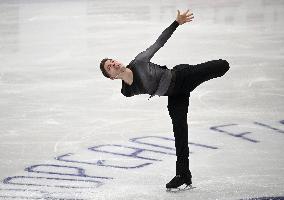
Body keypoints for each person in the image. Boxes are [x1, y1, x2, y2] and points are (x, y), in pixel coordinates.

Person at [99, 9, 230, 190]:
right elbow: (135, 87)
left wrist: (176, 23)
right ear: (112, 77)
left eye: (112, 61)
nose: (113, 64)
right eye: (110, 67)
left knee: (222, 65)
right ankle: (183, 175)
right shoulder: (127, 91)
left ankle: (208, 71)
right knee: (180, 132)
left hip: (182, 76)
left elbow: (159, 42)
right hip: (174, 95)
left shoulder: (139, 62)